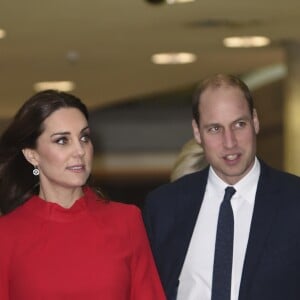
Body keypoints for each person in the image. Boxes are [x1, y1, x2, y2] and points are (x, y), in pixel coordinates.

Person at [143, 74, 300, 300]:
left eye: (239, 124)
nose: (230, 142)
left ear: (255, 121)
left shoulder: (294, 201)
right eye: (215, 129)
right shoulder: (164, 207)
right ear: (197, 132)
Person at [0, 90, 166, 300]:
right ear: (32, 155)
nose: (79, 150)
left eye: (84, 137)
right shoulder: (6, 235)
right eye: (62, 140)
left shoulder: (126, 221)